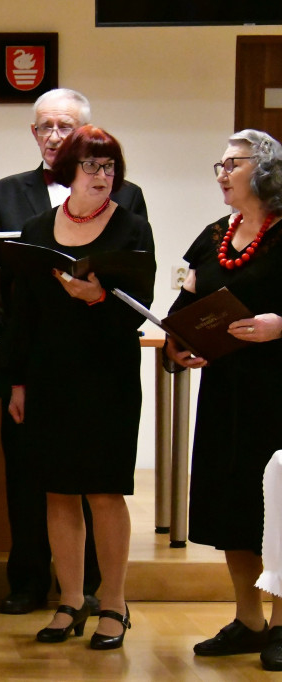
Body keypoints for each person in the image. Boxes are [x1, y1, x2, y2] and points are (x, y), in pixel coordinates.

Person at [0, 88, 147, 616]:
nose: (101, 176)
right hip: (47, 372)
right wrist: (16, 382)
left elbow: (138, 302)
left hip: (107, 373)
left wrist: (99, 296)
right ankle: (62, 599)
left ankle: (111, 601)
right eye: (90, 165)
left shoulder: (130, 221)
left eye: (108, 167)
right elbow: (20, 310)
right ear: (68, 170)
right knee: (51, 489)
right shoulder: (28, 221)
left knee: (101, 490)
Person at [165, 129, 282, 671]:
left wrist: (281, 325)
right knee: (234, 502)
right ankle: (249, 618)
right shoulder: (215, 233)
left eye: (231, 164)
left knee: (278, 509)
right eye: (220, 162)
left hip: (277, 392)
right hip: (226, 389)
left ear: (264, 171)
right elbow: (184, 299)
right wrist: (178, 343)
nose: (221, 173)